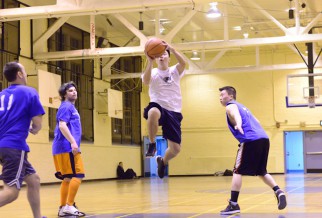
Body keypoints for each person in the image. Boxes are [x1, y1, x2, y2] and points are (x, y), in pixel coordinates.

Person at [218, 86, 287, 215]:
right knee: (261, 171)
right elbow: (257, 121)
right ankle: (278, 191)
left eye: (222, 94)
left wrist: (238, 123)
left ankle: (233, 204)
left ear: (231, 96)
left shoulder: (230, 106)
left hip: (250, 140)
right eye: (219, 96)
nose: (220, 97)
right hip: (263, 139)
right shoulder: (244, 107)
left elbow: (235, 115)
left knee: (237, 171)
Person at [0, 62, 45, 218]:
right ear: (19, 74)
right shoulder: (29, 92)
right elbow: (38, 123)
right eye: (24, 71)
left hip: (3, 146)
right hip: (14, 147)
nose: (25, 74)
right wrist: (35, 128)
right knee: (11, 192)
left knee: (34, 180)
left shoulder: (1, 95)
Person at [142, 42, 186, 179]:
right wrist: (149, 61)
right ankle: (152, 143)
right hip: (158, 105)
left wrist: (172, 48)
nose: (161, 56)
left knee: (176, 149)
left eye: (164, 54)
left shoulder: (174, 71)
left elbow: (183, 63)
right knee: (152, 112)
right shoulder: (153, 72)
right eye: (159, 54)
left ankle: (163, 161)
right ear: (156, 57)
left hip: (174, 111)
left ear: (168, 57)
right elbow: (146, 81)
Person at [52, 81, 85, 217]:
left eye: (75, 90)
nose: (74, 92)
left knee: (67, 178)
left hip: (61, 147)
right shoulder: (66, 106)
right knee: (78, 174)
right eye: (71, 90)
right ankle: (69, 206)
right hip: (66, 147)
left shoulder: (70, 107)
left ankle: (62, 207)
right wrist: (73, 142)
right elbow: (62, 126)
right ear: (64, 94)